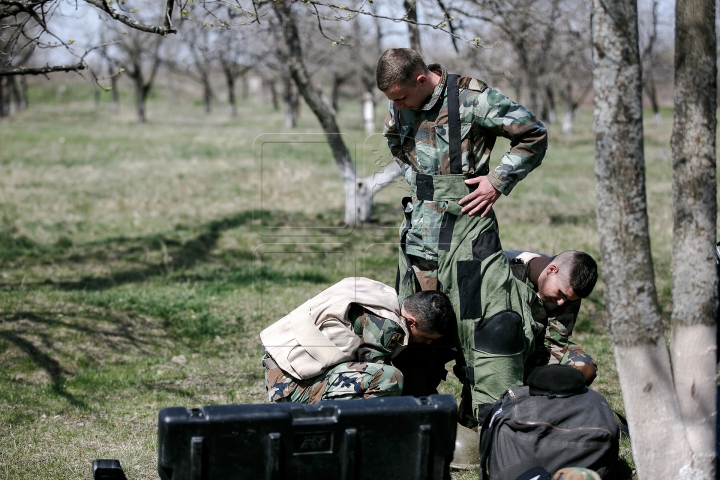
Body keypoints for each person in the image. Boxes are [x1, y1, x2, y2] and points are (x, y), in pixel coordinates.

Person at [376, 48, 548, 425]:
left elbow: (533, 133)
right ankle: (413, 418)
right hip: (420, 233)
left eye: (402, 97)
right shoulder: (400, 101)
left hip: (468, 227)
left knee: (482, 323)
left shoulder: (472, 98)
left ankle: (491, 421)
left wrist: (497, 181)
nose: (398, 105)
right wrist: (424, 185)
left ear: (422, 79)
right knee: (415, 324)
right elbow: (395, 141)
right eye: (393, 101)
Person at [260, 277, 454, 404]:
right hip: (291, 388)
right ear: (412, 322)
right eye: (427, 338)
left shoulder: (381, 293)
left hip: (281, 366)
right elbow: (373, 377)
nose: (427, 343)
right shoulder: (386, 328)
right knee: (388, 378)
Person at [506, 250, 599, 385]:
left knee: (583, 366)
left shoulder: (568, 292)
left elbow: (555, 343)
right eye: (560, 293)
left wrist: (547, 380)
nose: (561, 303)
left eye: (567, 299)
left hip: (533, 352)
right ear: (552, 270)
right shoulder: (505, 272)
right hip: (496, 352)